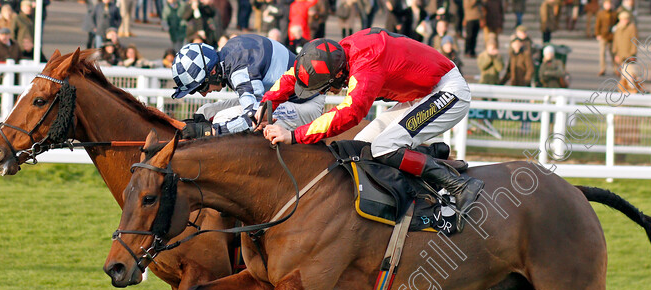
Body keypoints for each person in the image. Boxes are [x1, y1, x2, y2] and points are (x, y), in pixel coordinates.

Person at [261, 32, 483, 230]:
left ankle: (461, 186)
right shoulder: (338, 54)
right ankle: (434, 160)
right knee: (363, 143)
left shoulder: (366, 65)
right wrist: (266, 105)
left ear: (338, 75)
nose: (330, 91)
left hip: (448, 91)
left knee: (384, 146)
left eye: (327, 87)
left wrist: (294, 135)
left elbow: (349, 113)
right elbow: (295, 74)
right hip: (423, 93)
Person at [171, 36, 325, 137]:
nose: (204, 94)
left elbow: (254, 120)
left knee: (221, 119)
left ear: (212, 72)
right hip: (289, 98)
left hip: (308, 105)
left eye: (202, 88)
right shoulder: (229, 51)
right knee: (204, 112)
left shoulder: (240, 71)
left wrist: (211, 132)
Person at [595, 0, 617, 76]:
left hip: (611, 36)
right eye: (606, 4)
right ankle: (602, 68)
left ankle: (615, 68)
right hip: (603, 35)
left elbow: (617, 24)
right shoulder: (601, 13)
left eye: (609, 4)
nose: (608, 6)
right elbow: (597, 24)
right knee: (602, 53)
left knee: (613, 53)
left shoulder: (614, 13)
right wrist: (597, 34)